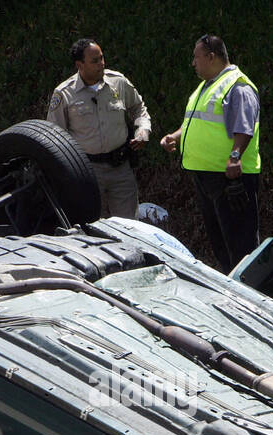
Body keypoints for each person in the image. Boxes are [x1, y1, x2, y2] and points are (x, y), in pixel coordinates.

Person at [159, 34, 261, 273]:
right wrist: (176, 136)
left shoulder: (238, 86)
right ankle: (231, 290)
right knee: (221, 243)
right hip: (209, 179)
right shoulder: (207, 86)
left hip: (231, 179)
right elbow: (197, 123)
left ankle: (249, 299)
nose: (193, 63)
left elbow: (245, 127)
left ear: (211, 57)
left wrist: (234, 157)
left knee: (240, 245)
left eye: (196, 57)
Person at [46, 38, 151, 220]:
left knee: (130, 227)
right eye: (95, 61)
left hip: (120, 168)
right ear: (80, 65)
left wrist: (143, 130)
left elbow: (139, 108)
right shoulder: (64, 94)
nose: (101, 64)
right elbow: (56, 139)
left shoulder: (118, 82)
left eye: (102, 58)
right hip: (87, 173)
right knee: (92, 227)